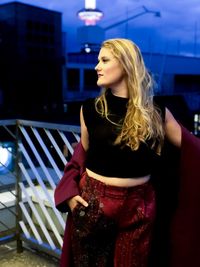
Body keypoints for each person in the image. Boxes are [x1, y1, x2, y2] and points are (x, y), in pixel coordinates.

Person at [54, 38, 200, 267]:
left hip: (139, 206)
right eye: (97, 61)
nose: (96, 67)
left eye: (104, 60)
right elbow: (82, 156)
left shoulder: (156, 112)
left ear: (125, 64)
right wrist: (70, 194)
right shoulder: (89, 109)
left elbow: (193, 150)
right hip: (93, 202)